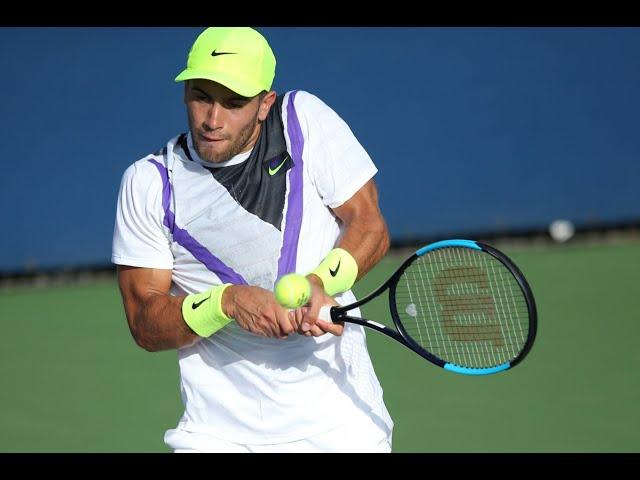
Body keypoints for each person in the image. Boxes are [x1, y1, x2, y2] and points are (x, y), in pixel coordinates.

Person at [112, 26, 393, 453]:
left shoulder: (303, 121)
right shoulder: (151, 183)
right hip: (217, 436)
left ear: (265, 104)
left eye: (234, 103)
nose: (212, 119)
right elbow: (145, 324)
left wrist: (320, 284)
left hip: (341, 427)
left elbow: (369, 225)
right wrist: (226, 303)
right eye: (201, 95)